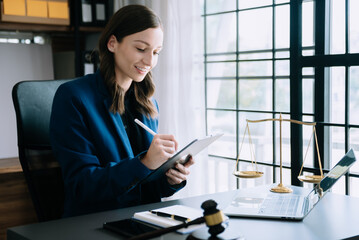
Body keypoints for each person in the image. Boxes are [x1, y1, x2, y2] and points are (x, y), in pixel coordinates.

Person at [50, 4, 194, 217]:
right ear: (112, 43)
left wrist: (170, 179)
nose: (149, 61)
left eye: (156, 52)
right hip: (96, 223)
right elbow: (82, 186)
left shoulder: (148, 104)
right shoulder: (73, 97)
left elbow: (145, 188)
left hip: (143, 220)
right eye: (141, 49)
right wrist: (145, 163)